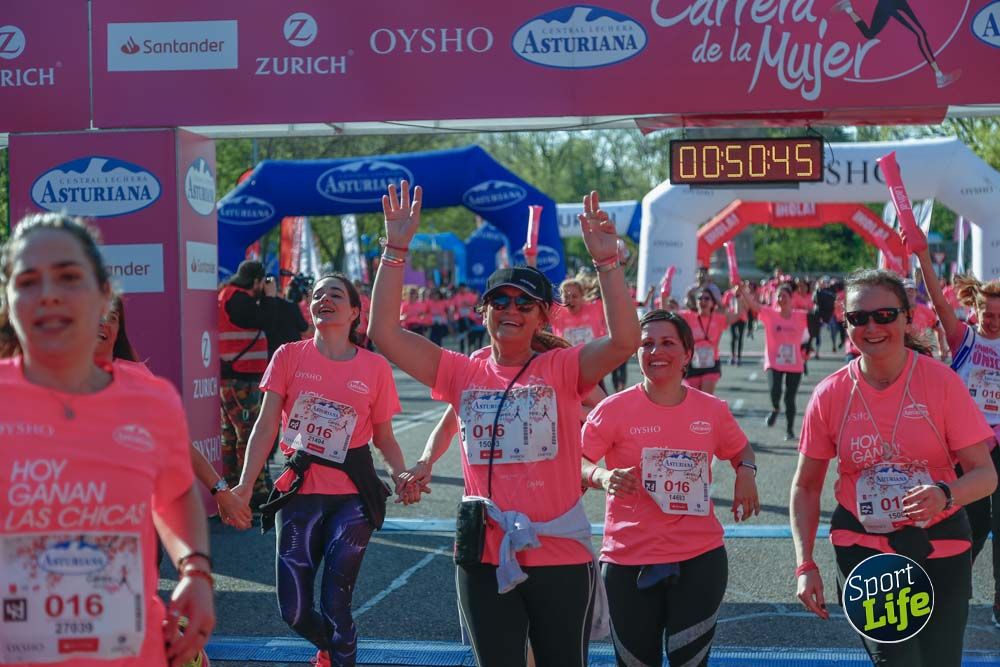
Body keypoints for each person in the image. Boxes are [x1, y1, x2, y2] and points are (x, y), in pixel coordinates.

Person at [369, 183, 640, 667]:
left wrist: (607, 264)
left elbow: (624, 342)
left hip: (558, 553)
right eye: (500, 301)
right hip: (484, 553)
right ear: (485, 312)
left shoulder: (562, 369)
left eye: (523, 303)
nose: (510, 309)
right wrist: (395, 250)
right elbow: (383, 334)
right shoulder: (461, 371)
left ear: (542, 316)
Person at [0, 213, 214, 667]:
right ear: (9, 300)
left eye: (68, 276)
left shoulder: (152, 400)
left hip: (131, 654)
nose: (49, 293)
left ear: (104, 296)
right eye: (28, 281)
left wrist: (195, 571)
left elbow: (175, 492)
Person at [791, 268, 996, 667]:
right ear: (845, 321)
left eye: (884, 315)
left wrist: (946, 493)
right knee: (897, 661)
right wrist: (805, 564)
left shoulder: (941, 384)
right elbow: (806, 486)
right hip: (865, 549)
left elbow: (985, 474)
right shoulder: (830, 394)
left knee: (939, 661)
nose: (872, 326)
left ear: (907, 317)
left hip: (940, 545)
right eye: (858, 318)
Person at [234, 272, 420, 667]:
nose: (323, 300)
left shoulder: (374, 367)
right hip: (299, 494)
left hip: (353, 497)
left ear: (355, 311)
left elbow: (384, 437)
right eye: (317, 295)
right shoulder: (288, 356)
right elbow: (266, 425)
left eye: (335, 294)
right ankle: (331, 650)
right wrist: (244, 486)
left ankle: (338, 659)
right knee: (294, 611)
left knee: (337, 602)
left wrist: (401, 473)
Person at [581, 309, 759, 667]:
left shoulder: (711, 410)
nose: (655, 351)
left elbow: (740, 449)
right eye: (646, 344)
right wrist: (601, 476)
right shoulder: (613, 409)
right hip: (628, 560)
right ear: (636, 354)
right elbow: (576, 460)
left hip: (699, 559)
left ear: (687, 354)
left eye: (667, 343)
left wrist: (746, 473)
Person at [908, 227, 1000, 627]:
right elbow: (936, 301)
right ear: (975, 310)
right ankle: (956, 582)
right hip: (968, 445)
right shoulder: (964, 339)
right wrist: (924, 256)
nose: (994, 321)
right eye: (988, 314)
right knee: (973, 520)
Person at [218, 260, 281, 507]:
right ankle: (254, 489)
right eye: (261, 283)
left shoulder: (230, 295)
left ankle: (234, 485)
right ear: (255, 281)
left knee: (233, 435)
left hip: (236, 374)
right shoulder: (239, 299)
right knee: (250, 434)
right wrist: (270, 297)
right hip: (239, 376)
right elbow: (266, 320)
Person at [832, 0, 959, 88]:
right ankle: (939, 76)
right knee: (920, 33)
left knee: (870, 34)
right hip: (892, 3)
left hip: (888, 3)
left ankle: (848, 9)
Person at [745, 284, 809, 441]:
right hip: (774, 361)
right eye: (778, 296)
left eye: (784, 296)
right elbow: (753, 305)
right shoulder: (770, 314)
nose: (781, 299)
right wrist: (742, 289)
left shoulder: (801, 316)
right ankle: (775, 407)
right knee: (775, 391)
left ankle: (790, 429)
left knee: (790, 397)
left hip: (794, 363)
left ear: (791, 298)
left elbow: (818, 320)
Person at [680, 286, 746, 395]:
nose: (703, 301)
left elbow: (737, 314)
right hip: (692, 364)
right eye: (700, 298)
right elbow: (667, 312)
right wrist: (664, 294)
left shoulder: (718, 318)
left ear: (712, 303)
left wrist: (737, 296)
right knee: (693, 399)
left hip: (711, 365)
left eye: (706, 298)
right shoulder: (688, 317)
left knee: (706, 399)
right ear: (696, 302)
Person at [261, 274, 310, 360]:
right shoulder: (291, 307)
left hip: (264, 358)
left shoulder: (255, 306)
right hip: (291, 356)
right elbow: (305, 330)